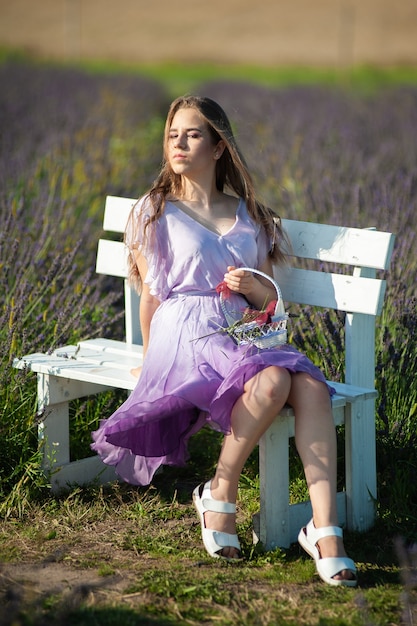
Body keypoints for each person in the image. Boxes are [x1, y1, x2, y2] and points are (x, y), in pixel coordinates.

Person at [92, 95, 357, 586]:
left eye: (192, 134)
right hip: (185, 329)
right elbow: (151, 297)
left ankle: (325, 530)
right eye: (173, 135)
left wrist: (259, 291)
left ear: (218, 147)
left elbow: (267, 303)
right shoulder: (155, 210)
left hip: (242, 333)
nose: (179, 143)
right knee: (275, 379)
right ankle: (222, 489)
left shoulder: (251, 215)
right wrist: (151, 365)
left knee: (310, 388)